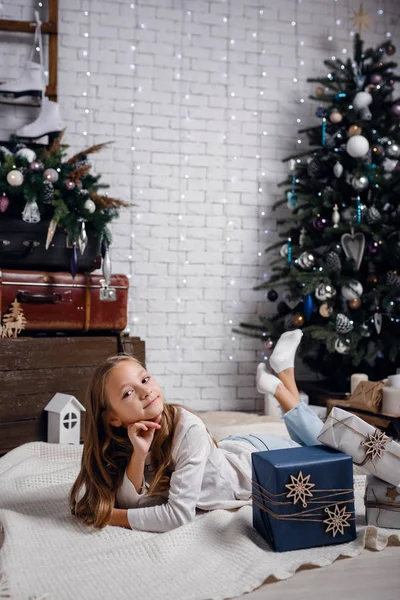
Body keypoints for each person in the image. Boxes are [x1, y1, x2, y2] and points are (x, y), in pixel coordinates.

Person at [70, 330, 324, 533]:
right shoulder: (129, 438)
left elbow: (178, 515)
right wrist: (138, 455)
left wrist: (112, 517)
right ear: (113, 418)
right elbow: (131, 503)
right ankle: (283, 376)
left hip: (257, 458)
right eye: (128, 393)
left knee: (327, 451)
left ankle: (280, 387)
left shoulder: (187, 426)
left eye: (145, 380)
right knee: (318, 446)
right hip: (233, 449)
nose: (145, 391)